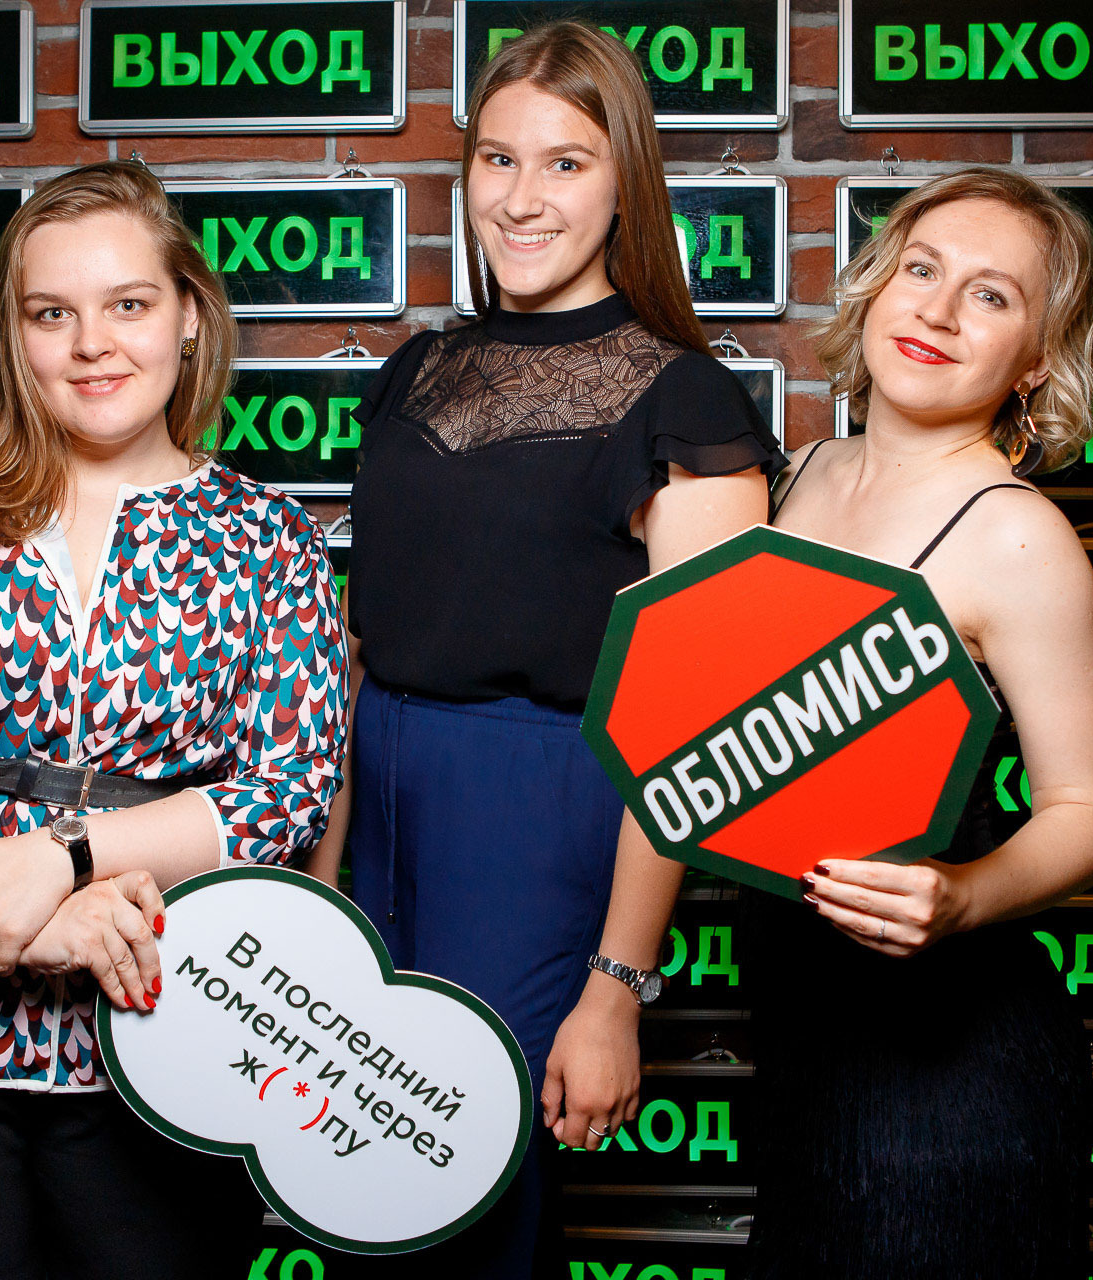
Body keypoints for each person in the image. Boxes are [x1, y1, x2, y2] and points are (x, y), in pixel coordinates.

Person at [0, 160, 348, 1279]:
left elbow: (287, 790)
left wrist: (62, 859)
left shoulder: (269, 537)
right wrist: (32, 925)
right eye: (53, 313)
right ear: (15, 333)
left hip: (164, 1048)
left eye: (128, 303)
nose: (93, 345)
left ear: (189, 315)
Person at [303, 22, 782, 1277]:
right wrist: (317, 893)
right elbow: (361, 648)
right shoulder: (415, 371)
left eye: (566, 163)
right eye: (497, 158)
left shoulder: (686, 400)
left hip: (540, 825)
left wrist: (617, 983)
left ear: (627, 182)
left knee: (469, 1197)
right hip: (376, 803)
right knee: (351, 1193)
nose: (521, 198)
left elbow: (697, 725)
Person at [743, 167, 1093, 1277]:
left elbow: (1089, 810)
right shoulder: (795, 476)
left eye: (991, 295)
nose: (940, 310)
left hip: (953, 1069)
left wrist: (961, 898)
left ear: (1037, 359)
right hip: (801, 1038)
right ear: (876, 287)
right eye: (922, 268)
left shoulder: (1017, 535)